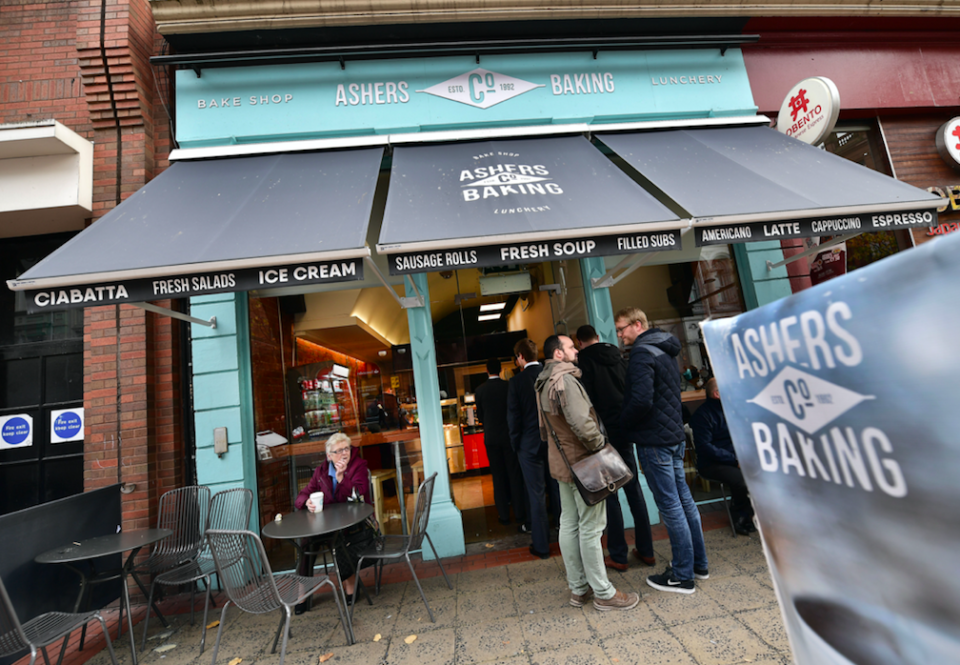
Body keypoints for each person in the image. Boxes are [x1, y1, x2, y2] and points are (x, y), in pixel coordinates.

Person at [535, 334, 640, 611]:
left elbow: (546, 430)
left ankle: (579, 589)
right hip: (584, 462)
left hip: (562, 464)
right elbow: (582, 423)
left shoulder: (543, 381)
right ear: (558, 354)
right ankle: (604, 593)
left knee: (569, 524)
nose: (575, 351)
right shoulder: (565, 380)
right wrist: (601, 448)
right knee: (592, 528)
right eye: (570, 347)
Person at [617, 306, 708, 595]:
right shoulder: (665, 349)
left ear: (638, 324)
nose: (619, 335)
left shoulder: (642, 353)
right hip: (673, 436)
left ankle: (682, 575)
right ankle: (698, 564)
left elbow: (642, 400)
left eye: (622, 329)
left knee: (670, 505)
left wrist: (622, 424)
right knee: (684, 500)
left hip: (653, 439)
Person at [574, 324, 656, 572]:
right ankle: (647, 550)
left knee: (611, 493)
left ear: (579, 343)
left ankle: (618, 555)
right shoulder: (620, 358)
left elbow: (586, 403)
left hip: (603, 435)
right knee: (633, 487)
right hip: (625, 428)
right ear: (598, 338)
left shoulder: (583, 365)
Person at [294, 432, 378, 612]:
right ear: (329, 456)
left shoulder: (359, 466)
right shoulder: (321, 471)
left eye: (346, 448)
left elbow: (359, 494)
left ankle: (350, 582)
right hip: (326, 522)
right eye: (338, 451)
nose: (343, 454)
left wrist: (341, 479)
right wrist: (306, 502)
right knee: (307, 542)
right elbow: (303, 494)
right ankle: (303, 590)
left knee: (341, 537)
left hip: (354, 522)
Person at [507, 338, 560, 559]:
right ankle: (565, 536)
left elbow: (514, 418)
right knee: (559, 490)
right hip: (553, 440)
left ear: (520, 357)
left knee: (536, 494)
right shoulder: (550, 375)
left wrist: (516, 444)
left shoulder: (516, 382)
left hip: (529, 445)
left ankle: (541, 546)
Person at [691, 378, 756, 535]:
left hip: (737, 458)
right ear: (717, 394)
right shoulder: (702, 416)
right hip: (712, 463)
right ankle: (740, 516)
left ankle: (755, 515)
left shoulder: (733, 410)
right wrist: (733, 459)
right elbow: (705, 447)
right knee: (742, 480)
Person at [475, 357, 528, 528]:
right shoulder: (508, 387)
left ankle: (504, 516)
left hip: (491, 438)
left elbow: (481, 416)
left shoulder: (480, 390)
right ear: (500, 370)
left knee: (498, 477)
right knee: (514, 475)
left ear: (486, 370)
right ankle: (519, 514)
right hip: (509, 437)